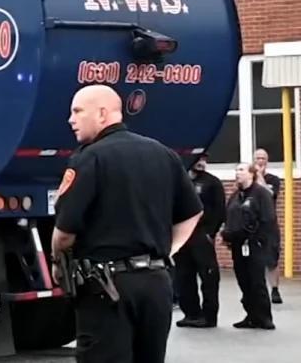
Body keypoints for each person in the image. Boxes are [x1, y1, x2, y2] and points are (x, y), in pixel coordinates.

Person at [51, 85, 202, 363]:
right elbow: (192, 212)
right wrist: (169, 250)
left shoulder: (89, 158)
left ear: (102, 114)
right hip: (156, 283)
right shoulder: (163, 153)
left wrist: (58, 263)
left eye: (77, 111)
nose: (70, 120)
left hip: (107, 288)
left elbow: (64, 233)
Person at [221, 162, 277, 329]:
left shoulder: (261, 194)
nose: (237, 173)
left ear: (251, 174)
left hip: (255, 244)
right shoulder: (236, 195)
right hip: (238, 245)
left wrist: (261, 240)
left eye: (241, 170)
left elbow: (268, 219)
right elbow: (228, 217)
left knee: (256, 281)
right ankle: (251, 315)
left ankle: (264, 317)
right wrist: (227, 235)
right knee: (243, 281)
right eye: (236, 170)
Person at [174, 152, 226, 328]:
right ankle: (191, 313)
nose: (201, 162)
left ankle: (209, 316)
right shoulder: (180, 182)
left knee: (208, 276)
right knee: (183, 276)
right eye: (198, 159)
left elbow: (220, 210)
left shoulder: (212, 182)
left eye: (204, 159)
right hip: (183, 236)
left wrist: (211, 233)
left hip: (202, 235)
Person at [253, 147, 284, 304]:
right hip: (253, 226)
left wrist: (259, 176)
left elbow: (269, 194)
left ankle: (275, 290)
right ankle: (257, 291)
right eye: (257, 158)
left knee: (272, 259)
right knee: (253, 261)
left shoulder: (273, 180)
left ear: (267, 161)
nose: (260, 161)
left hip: (269, 225)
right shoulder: (248, 179)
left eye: (263, 158)